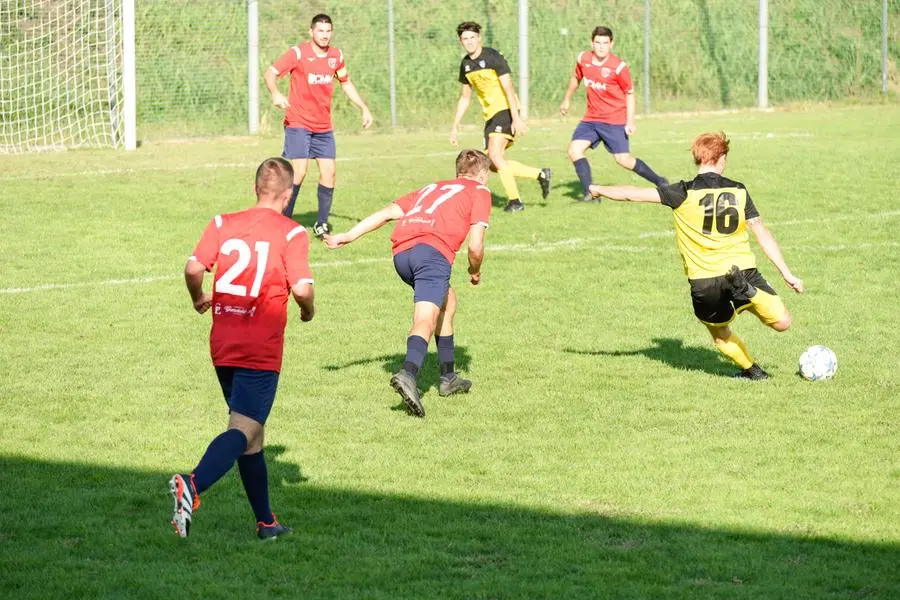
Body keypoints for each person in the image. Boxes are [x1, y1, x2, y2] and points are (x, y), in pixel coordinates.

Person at [169, 157, 316, 540]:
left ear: (255, 190)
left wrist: (198, 295)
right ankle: (192, 484)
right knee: (242, 428)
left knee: (252, 432)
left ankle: (266, 522)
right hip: (260, 347)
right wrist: (308, 310)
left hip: (223, 343)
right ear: (287, 195)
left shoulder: (222, 224)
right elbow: (301, 288)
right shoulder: (291, 233)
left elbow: (192, 268)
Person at [589, 132, 804, 379]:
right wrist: (786, 273)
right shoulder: (738, 190)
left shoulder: (681, 192)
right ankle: (751, 294)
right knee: (782, 322)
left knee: (720, 331)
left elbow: (632, 193)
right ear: (721, 158)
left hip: (705, 281)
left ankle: (753, 372)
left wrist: (599, 189)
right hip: (742, 270)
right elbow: (762, 233)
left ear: (698, 159)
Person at [323, 150, 492, 416]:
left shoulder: (432, 188)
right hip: (431, 254)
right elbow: (475, 246)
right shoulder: (480, 191)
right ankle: (408, 374)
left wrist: (349, 235)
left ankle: (449, 378)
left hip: (402, 254)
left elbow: (388, 212)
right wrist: (475, 271)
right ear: (482, 175)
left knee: (448, 302)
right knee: (426, 317)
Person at [264, 13, 374, 236]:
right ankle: (284, 222)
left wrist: (363, 107)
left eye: (328, 31)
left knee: (329, 172)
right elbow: (270, 73)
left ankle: (321, 223)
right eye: (320, 31)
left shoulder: (336, 55)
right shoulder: (298, 53)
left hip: (323, 126)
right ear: (311, 32)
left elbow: (345, 82)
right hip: (298, 122)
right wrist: (275, 93)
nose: (324, 35)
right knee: (299, 172)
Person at [449, 21, 550, 213]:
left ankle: (515, 202)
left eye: (472, 37)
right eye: (465, 39)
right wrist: (454, 126)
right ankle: (540, 174)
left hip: (505, 110)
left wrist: (516, 118)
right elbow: (465, 97)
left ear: (479, 38)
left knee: (494, 155)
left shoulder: (493, 57)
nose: (469, 42)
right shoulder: (466, 65)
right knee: (492, 164)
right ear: (461, 41)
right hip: (490, 116)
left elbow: (509, 89)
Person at [559, 26, 667, 203]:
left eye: (605, 43)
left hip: (614, 120)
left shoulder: (618, 67)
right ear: (591, 43)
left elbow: (630, 93)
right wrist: (567, 99)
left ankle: (660, 181)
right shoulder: (583, 59)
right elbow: (575, 77)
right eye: (597, 42)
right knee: (574, 150)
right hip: (591, 119)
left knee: (623, 160)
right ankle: (591, 194)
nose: (601, 47)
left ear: (611, 44)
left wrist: (630, 121)